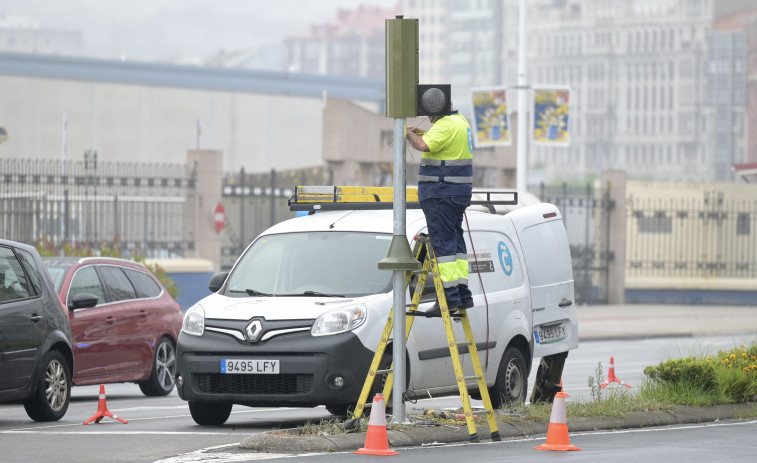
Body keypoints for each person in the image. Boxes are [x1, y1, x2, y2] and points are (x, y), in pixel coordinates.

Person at [405, 105, 473, 316]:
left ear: (437, 109)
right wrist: (424, 132)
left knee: (442, 244)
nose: (428, 117)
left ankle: (449, 297)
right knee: (456, 243)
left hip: (440, 192)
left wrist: (407, 134)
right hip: (456, 193)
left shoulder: (445, 124)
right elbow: (442, 141)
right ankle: (462, 294)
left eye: (429, 112)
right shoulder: (460, 122)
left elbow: (423, 146)